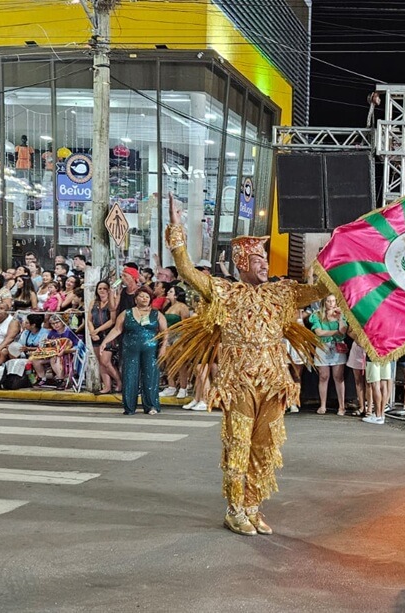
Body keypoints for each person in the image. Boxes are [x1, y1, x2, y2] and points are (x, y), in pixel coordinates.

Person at [161, 193, 328, 536]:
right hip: (238, 381)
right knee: (239, 443)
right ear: (241, 264)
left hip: (274, 381)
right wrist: (176, 228)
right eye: (258, 260)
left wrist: (335, 260)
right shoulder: (224, 292)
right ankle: (234, 509)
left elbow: (320, 292)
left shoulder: (281, 292)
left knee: (265, 445)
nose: (265, 265)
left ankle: (252, 506)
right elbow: (187, 271)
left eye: (265, 259)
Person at [100, 286, 168, 415]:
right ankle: (129, 407)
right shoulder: (127, 313)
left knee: (150, 376)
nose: (144, 298)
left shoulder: (157, 314)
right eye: (142, 296)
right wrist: (105, 342)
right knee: (130, 375)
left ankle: (151, 405)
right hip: (130, 349)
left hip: (151, 349)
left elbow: (165, 332)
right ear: (135, 299)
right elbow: (117, 329)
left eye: (147, 297)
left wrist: (163, 347)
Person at [311, 295, 349, 416]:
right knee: (323, 376)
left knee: (338, 376)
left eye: (333, 301)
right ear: (324, 302)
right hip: (323, 347)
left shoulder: (340, 314)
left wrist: (339, 319)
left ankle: (341, 406)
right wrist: (335, 332)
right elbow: (319, 332)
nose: (331, 303)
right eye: (329, 301)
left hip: (337, 346)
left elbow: (343, 331)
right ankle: (323, 405)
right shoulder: (317, 315)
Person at [31, 314, 82, 388]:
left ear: (62, 322)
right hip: (52, 353)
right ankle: (42, 378)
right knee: (35, 359)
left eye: (57, 322)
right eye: (53, 324)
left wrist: (66, 351)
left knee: (54, 358)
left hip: (67, 356)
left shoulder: (69, 332)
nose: (55, 325)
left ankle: (61, 379)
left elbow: (77, 347)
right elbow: (49, 346)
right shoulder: (52, 333)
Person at [87, 280, 121, 394]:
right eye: (100, 288)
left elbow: (112, 320)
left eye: (104, 288)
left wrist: (98, 330)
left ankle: (119, 381)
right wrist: (92, 332)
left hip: (107, 334)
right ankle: (106, 386)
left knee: (106, 361)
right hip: (96, 335)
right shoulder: (94, 303)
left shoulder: (112, 303)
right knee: (100, 362)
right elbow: (89, 320)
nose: (102, 291)